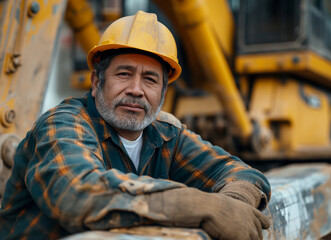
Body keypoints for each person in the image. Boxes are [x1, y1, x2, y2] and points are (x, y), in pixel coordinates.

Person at [0, 11, 271, 240]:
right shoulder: (62, 124)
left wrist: (233, 206)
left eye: (150, 79)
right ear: (96, 83)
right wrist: (203, 207)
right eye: (124, 74)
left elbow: (241, 173)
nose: (136, 90)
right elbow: (77, 194)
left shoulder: (165, 134)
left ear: (163, 93)